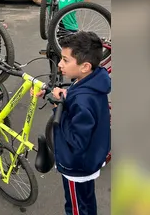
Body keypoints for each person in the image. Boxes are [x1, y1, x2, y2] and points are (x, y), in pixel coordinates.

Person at [43, 31, 111, 215]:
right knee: (87, 202)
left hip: (77, 167)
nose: (59, 64)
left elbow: (77, 140)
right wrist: (65, 98)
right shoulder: (92, 82)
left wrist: (59, 107)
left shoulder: (83, 100)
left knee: (74, 207)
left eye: (65, 60)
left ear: (85, 66)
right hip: (90, 160)